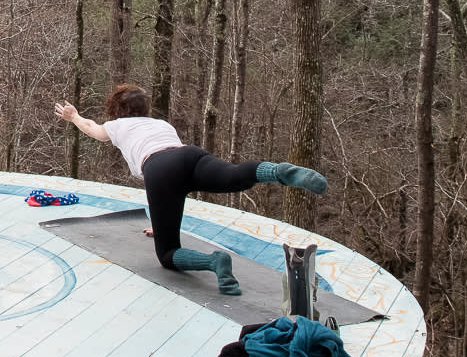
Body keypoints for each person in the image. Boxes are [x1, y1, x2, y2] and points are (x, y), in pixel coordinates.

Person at [53, 83, 326, 295]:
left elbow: (92, 128)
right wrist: (161, 223)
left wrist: (74, 116)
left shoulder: (117, 125)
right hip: (189, 156)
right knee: (233, 176)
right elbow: (176, 178)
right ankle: (277, 172)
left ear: (117, 111)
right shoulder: (161, 124)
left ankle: (215, 262)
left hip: (160, 169)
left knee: (168, 254)